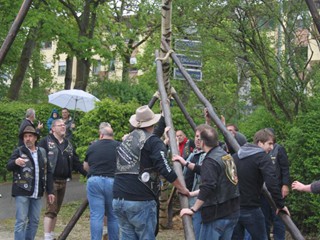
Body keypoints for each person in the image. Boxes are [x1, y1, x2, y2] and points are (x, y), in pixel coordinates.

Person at [112, 105, 189, 240]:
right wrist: (182, 188)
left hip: (119, 198)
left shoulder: (126, 141)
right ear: (152, 122)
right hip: (140, 200)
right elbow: (165, 168)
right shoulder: (153, 142)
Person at [179, 124, 240, 239]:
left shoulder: (210, 161)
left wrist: (193, 209)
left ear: (202, 141)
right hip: (232, 211)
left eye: (198, 137)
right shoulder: (224, 155)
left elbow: (208, 186)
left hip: (217, 215)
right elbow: (211, 175)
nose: (196, 140)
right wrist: (186, 163)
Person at [231, 128, 290, 240]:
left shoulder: (235, 157)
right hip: (251, 208)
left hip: (233, 208)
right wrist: (280, 205)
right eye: (269, 144)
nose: (271, 148)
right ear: (259, 143)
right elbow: (272, 183)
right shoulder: (262, 157)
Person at [38, 119, 87, 240]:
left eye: (64, 125)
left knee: (56, 210)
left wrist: (87, 173)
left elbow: (76, 162)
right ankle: (47, 237)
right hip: (51, 180)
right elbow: (38, 159)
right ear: (53, 128)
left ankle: (51, 235)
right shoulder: (45, 142)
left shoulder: (68, 144)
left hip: (63, 181)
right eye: (60, 125)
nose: (63, 127)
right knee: (51, 209)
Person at [7, 125, 55, 240]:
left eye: (30, 136)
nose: (27, 138)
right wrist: (15, 162)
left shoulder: (42, 152)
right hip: (22, 191)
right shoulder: (19, 151)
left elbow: (48, 172)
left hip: (37, 192)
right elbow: (8, 166)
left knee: (34, 221)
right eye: (25, 136)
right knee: (21, 221)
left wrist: (50, 191)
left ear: (35, 138)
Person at [83, 122, 120, 240]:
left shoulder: (92, 146)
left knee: (96, 216)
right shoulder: (119, 146)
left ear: (101, 135)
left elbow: (85, 166)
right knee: (113, 216)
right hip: (112, 181)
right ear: (112, 135)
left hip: (94, 181)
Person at [172, 125, 206, 240]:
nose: (197, 139)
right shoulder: (194, 154)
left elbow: (202, 173)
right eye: (196, 136)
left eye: (200, 137)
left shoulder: (207, 156)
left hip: (199, 197)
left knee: (198, 229)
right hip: (191, 193)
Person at [261, 128, 290, 240]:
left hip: (276, 190)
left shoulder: (279, 149)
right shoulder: (260, 150)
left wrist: (285, 185)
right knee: (264, 219)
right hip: (262, 192)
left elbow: (285, 168)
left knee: (279, 218)